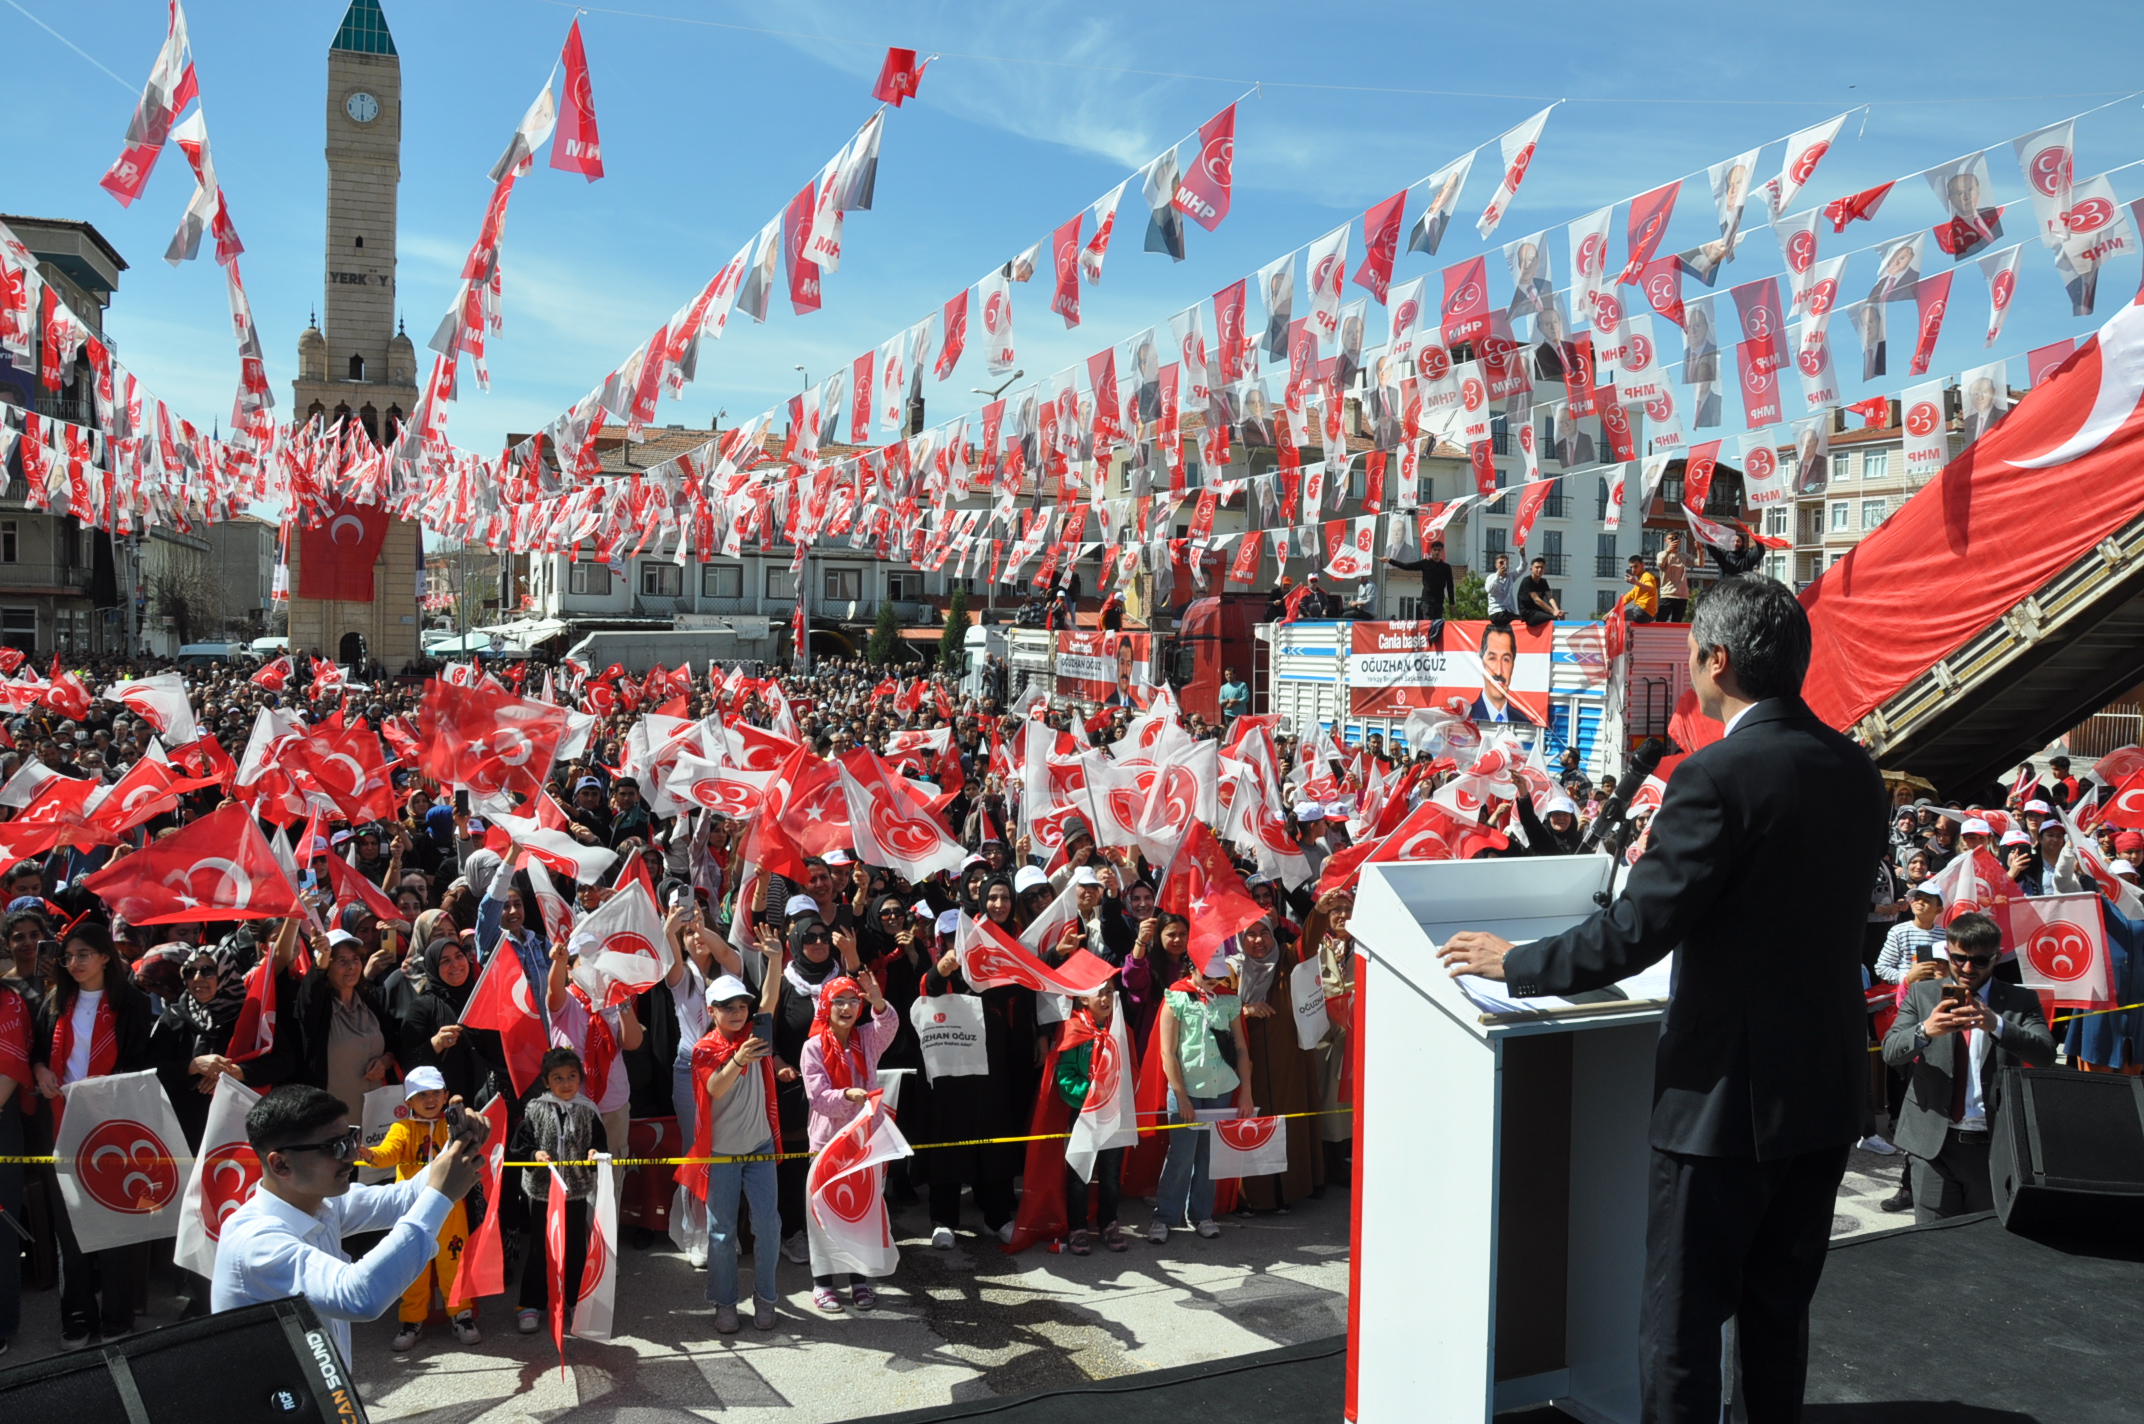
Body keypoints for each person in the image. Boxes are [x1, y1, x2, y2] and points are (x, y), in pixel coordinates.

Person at [1436, 575, 1888, 1423]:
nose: (1688, 671)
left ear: (1718, 661)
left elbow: (1638, 930)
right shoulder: (1856, 769)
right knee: (1776, 1319)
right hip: (1824, 1093)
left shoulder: (1717, 775)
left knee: (1679, 1327)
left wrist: (1516, 961)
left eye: (1690, 657)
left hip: (1724, 1104)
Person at [212, 1082, 482, 1372]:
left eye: (351, 1138)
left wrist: (461, 1147)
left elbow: (401, 1198)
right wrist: (440, 1197)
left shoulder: (319, 1203)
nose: (351, 1156)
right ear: (280, 1165)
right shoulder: (256, 1241)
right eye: (335, 1147)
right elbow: (359, 1296)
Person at [1882, 913, 2056, 1222]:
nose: (1966, 968)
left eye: (1978, 961)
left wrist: (1997, 1024)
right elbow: (1891, 1052)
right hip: (1933, 1144)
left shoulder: (2020, 1000)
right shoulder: (1924, 995)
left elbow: (2044, 1053)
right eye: (1959, 958)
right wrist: (1925, 1031)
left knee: (1982, 1246)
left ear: (1996, 958)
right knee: (1932, 1246)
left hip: (1993, 1146)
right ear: (1948, 953)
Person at [31, 920, 155, 1347]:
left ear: (105, 956)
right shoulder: (53, 1003)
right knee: (70, 1229)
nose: (74, 963)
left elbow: (141, 1065)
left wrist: (102, 1091)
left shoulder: (134, 1004)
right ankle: (78, 1317)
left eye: (83, 954)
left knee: (115, 1223)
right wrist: (41, 1070)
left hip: (115, 1127)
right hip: (63, 1125)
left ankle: (117, 1316)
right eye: (68, 957)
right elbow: (37, 1053)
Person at [684, 949, 784, 1334]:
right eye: (727, 1007)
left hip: (759, 1147)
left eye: (742, 1005)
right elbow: (713, 1087)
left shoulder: (754, 1034)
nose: (738, 1012)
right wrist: (740, 1059)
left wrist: (775, 960)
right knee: (722, 1234)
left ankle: (766, 1299)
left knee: (768, 1226)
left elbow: (771, 999)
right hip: (722, 1154)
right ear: (712, 1011)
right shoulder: (705, 1049)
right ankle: (725, 1304)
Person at [358, 1066, 483, 1351]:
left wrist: (462, 1116)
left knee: (454, 1261)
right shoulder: (401, 1128)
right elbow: (387, 1154)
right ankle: (412, 1320)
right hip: (412, 1207)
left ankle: (461, 1315)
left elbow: (472, 1142)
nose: (430, 1100)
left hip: (450, 1203)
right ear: (408, 1103)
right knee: (413, 1265)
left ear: (445, 1095)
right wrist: (369, 1155)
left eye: (436, 1093)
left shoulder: (452, 1125)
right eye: (421, 1094)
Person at [800, 964, 898, 1312]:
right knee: (823, 1214)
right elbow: (818, 1098)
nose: (846, 1008)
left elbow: (889, 1026)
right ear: (825, 1007)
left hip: (865, 1142)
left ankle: (860, 1280)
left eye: (852, 1001)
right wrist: (850, 1097)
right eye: (838, 1001)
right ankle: (823, 1283)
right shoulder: (812, 1047)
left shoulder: (866, 1038)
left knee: (863, 1212)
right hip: (827, 1143)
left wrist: (877, 1001)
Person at [1151, 942, 1252, 1242]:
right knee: (1181, 1155)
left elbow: (1242, 1048)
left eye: (1218, 974)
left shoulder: (1228, 999)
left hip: (1221, 1088)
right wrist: (1181, 1096)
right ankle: (1164, 1217)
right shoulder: (1176, 997)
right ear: (1191, 965)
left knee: (1209, 1155)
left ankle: (1201, 1214)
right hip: (1187, 1089)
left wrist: (1246, 1092)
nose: (1213, 980)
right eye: (1208, 973)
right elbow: (1167, 1053)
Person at [509, 1047, 608, 1336]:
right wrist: (534, 1155)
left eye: (572, 1076)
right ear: (546, 1081)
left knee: (576, 1246)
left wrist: (594, 1153)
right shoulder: (535, 1110)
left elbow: (600, 1145)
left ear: (581, 1078)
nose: (566, 1083)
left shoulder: (588, 1110)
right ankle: (530, 1303)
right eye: (558, 1078)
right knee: (541, 1247)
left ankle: (576, 1301)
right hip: (543, 1192)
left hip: (575, 1191)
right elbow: (521, 1148)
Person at [1469, 622, 1535, 726]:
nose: (1499, 671)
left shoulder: (1524, 722)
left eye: (1506, 660)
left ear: (1513, 664)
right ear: (1481, 663)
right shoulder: (1466, 719)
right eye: (1492, 658)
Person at [1384, 539, 1456, 629]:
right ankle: (1426, 642)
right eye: (1435, 550)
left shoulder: (1446, 567)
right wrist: (1390, 560)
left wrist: (1452, 603)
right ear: (1431, 551)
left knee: (1438, 626)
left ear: (1442, 551)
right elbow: (1407, 566)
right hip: (1427, 601)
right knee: (1428, 625)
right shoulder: (1425, 563)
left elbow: (1450, 585)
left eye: (1439, 550)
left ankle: (1435, 643)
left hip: (1439, 602)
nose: (1437, 552)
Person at [1516, 556, 1561, 628]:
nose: (1539, 569)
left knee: (1559, 616)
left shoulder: (1543, 581)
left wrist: (1557, 611)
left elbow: (1550, 598)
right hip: (1528, 614)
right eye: (1537, 567)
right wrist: (1553, 611)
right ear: (1531, 569)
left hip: (1538, 612)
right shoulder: (1527, 581)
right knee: (1553, 618)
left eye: (1542, 567)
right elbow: (1537, 600)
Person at [1656, 534, 1691, 622]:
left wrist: (1700, 551)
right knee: (1660, 622)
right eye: (1671, 539)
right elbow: (1660, 563)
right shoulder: (1661, 554)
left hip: (1682, 597)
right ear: (1665, 541)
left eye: (1676, 539)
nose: (1673, 541)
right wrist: (1668, 550)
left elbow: (1699, 563)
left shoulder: (1684, 556)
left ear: (1680, 541)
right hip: (1667, 595)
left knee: (1677, 624)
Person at [1619, 554, 1660, 624]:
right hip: (1647, 613)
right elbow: (1627, 598)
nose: (1633, 570)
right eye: (1631, 567)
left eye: (1636, 566)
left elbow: (1650, 588)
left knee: (1620, 617)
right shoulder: (1639, 583)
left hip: (1643, 610)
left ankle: (1624, 634)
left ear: (1642, 565)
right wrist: (1612, 612)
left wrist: (1635, 582)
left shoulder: (1647, 576)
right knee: (1618, 615)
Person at [1483, 551, 1520, 627]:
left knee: (1521, 620)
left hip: (1508, 611)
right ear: (1496, 565)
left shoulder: (1510, 576)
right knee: (1517, 620)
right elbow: (1488, 589)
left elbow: (1522, 568)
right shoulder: (1491, 577)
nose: (1504, 565)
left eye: (1506, 563)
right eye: (1501, 563)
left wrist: (1522, 555)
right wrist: (1498, 576)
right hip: (1496, 612)